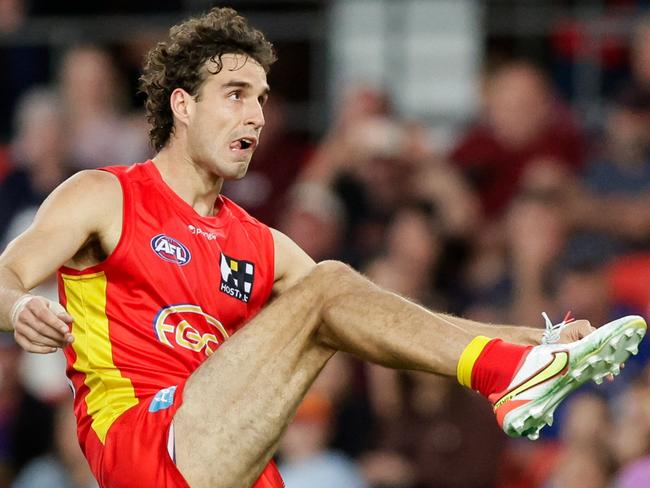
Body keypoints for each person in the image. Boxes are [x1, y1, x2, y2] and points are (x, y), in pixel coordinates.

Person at [0, 7, 645, 488]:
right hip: (145, 445)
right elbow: (8, 274)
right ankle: (506, 375)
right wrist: (19, 307)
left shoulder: (259, 243)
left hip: (235, 459)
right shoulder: (103, 195)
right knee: (330, 284)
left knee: (341, 298)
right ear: (182, 105)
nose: (255, 116)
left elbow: (386, 324)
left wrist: (540, 342)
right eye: (235, 95)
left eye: (261, 100)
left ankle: (516, 368)